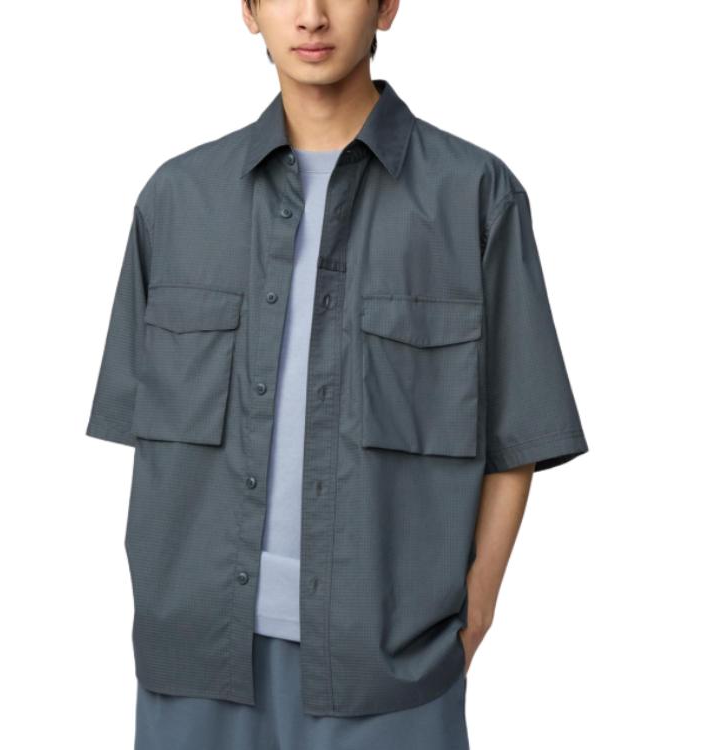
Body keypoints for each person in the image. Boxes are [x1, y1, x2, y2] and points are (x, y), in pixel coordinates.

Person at [85, 1, 589, 747]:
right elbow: (144, 437)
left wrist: (476, 610)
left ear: (387, 7)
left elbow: (520, 433)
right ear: (249, 12)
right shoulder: (178, 199)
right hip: (195, 659)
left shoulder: (475, 195)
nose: (312, 16)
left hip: (389, 671)